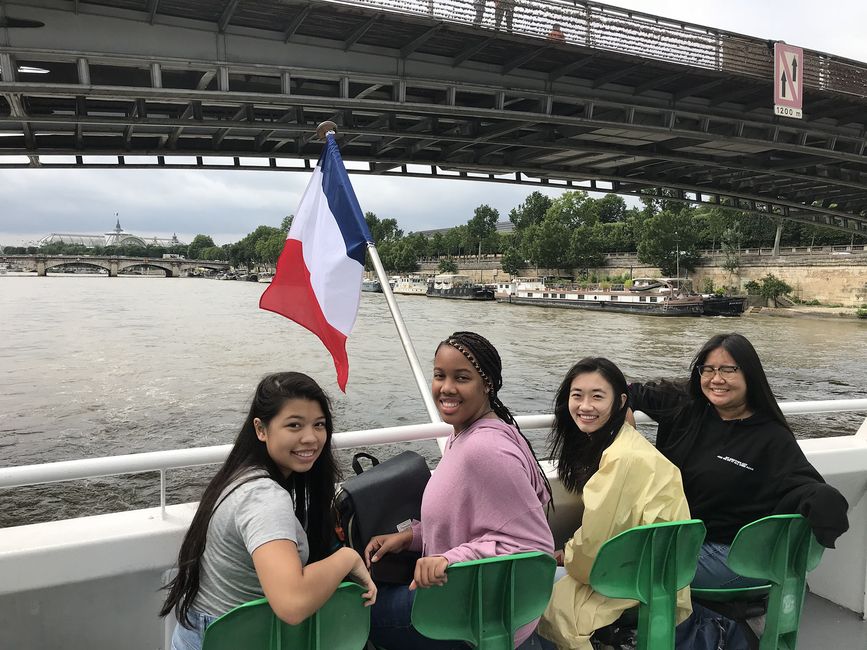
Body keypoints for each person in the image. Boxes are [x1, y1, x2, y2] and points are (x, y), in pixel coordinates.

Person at [365, 331, 555, 649]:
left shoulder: (485, 450)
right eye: (440, 375)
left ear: (487, 385)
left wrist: (449, 559)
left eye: (462, 377)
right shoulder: (473, 432)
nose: (446, 388)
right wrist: (412, 537)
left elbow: (533, 548)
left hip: (474, 613)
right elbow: (468, 519)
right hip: (472, 594)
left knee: (361, 613)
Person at [160, 372, 376, 650]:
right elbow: (291, 602)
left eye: (319, 425)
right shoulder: (264, 498)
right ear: (261, 429)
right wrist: (348, 558)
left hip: (210, 632)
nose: (310, 437)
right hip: (231, 638)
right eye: (294, 425)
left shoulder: (242, 476)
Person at [629, 333, 849, 589]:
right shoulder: (686, 407)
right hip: (675, 535)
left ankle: (706, 626)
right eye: (708, 369)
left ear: (750, 376)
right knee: (610, 559)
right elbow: (629, 390)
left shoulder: (770, 436)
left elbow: (801, 483)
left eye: (728, 370)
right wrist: (626, 409)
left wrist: (823, 500)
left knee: (628, 568)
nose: (716, 379)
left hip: (729, 552)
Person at [538, 358, 692, 650]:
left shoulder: (621, 458)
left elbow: (595, 547)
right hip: (657, 571)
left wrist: (568, 554)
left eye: (597, 396)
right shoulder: (625, 444)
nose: (585, 406)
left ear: (621, 401)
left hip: (636, 577)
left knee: (541, 602)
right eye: (577, 395)